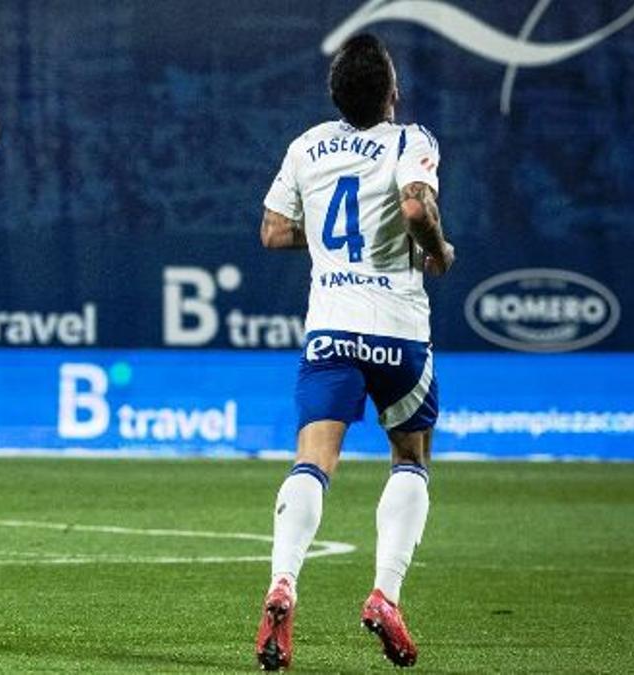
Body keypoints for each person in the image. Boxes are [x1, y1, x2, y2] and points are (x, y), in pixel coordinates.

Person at [254, 33, 452, 670]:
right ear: (392, 93)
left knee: (314, 458)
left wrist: (335, 251)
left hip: (331, 326)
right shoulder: (410, 139)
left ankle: (283, 582)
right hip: (398, 329)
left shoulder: (308, 145)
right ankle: (384, 594)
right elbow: (417, 206)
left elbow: (273, 230)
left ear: (334, 94)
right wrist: (438, 251)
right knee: (411, 457)